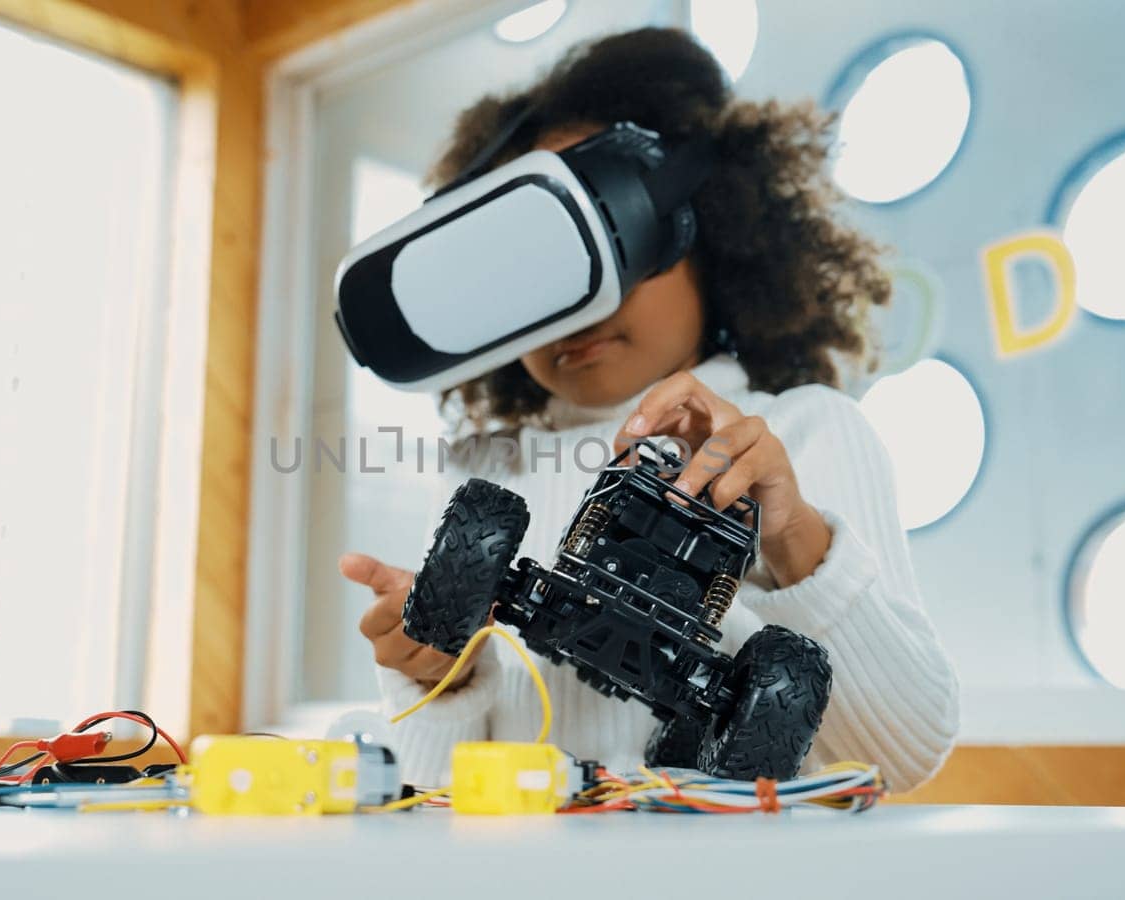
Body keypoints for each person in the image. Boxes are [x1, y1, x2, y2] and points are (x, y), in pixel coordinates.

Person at [339, 27, 959, 793]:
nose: (575, 308)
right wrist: (442, 677)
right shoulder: (489, 471)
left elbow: (904, 759)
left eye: (607, 241)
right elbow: (437, 798)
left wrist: (797, 540)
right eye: (521, 275)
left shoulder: (807, 434)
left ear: (702, 228)